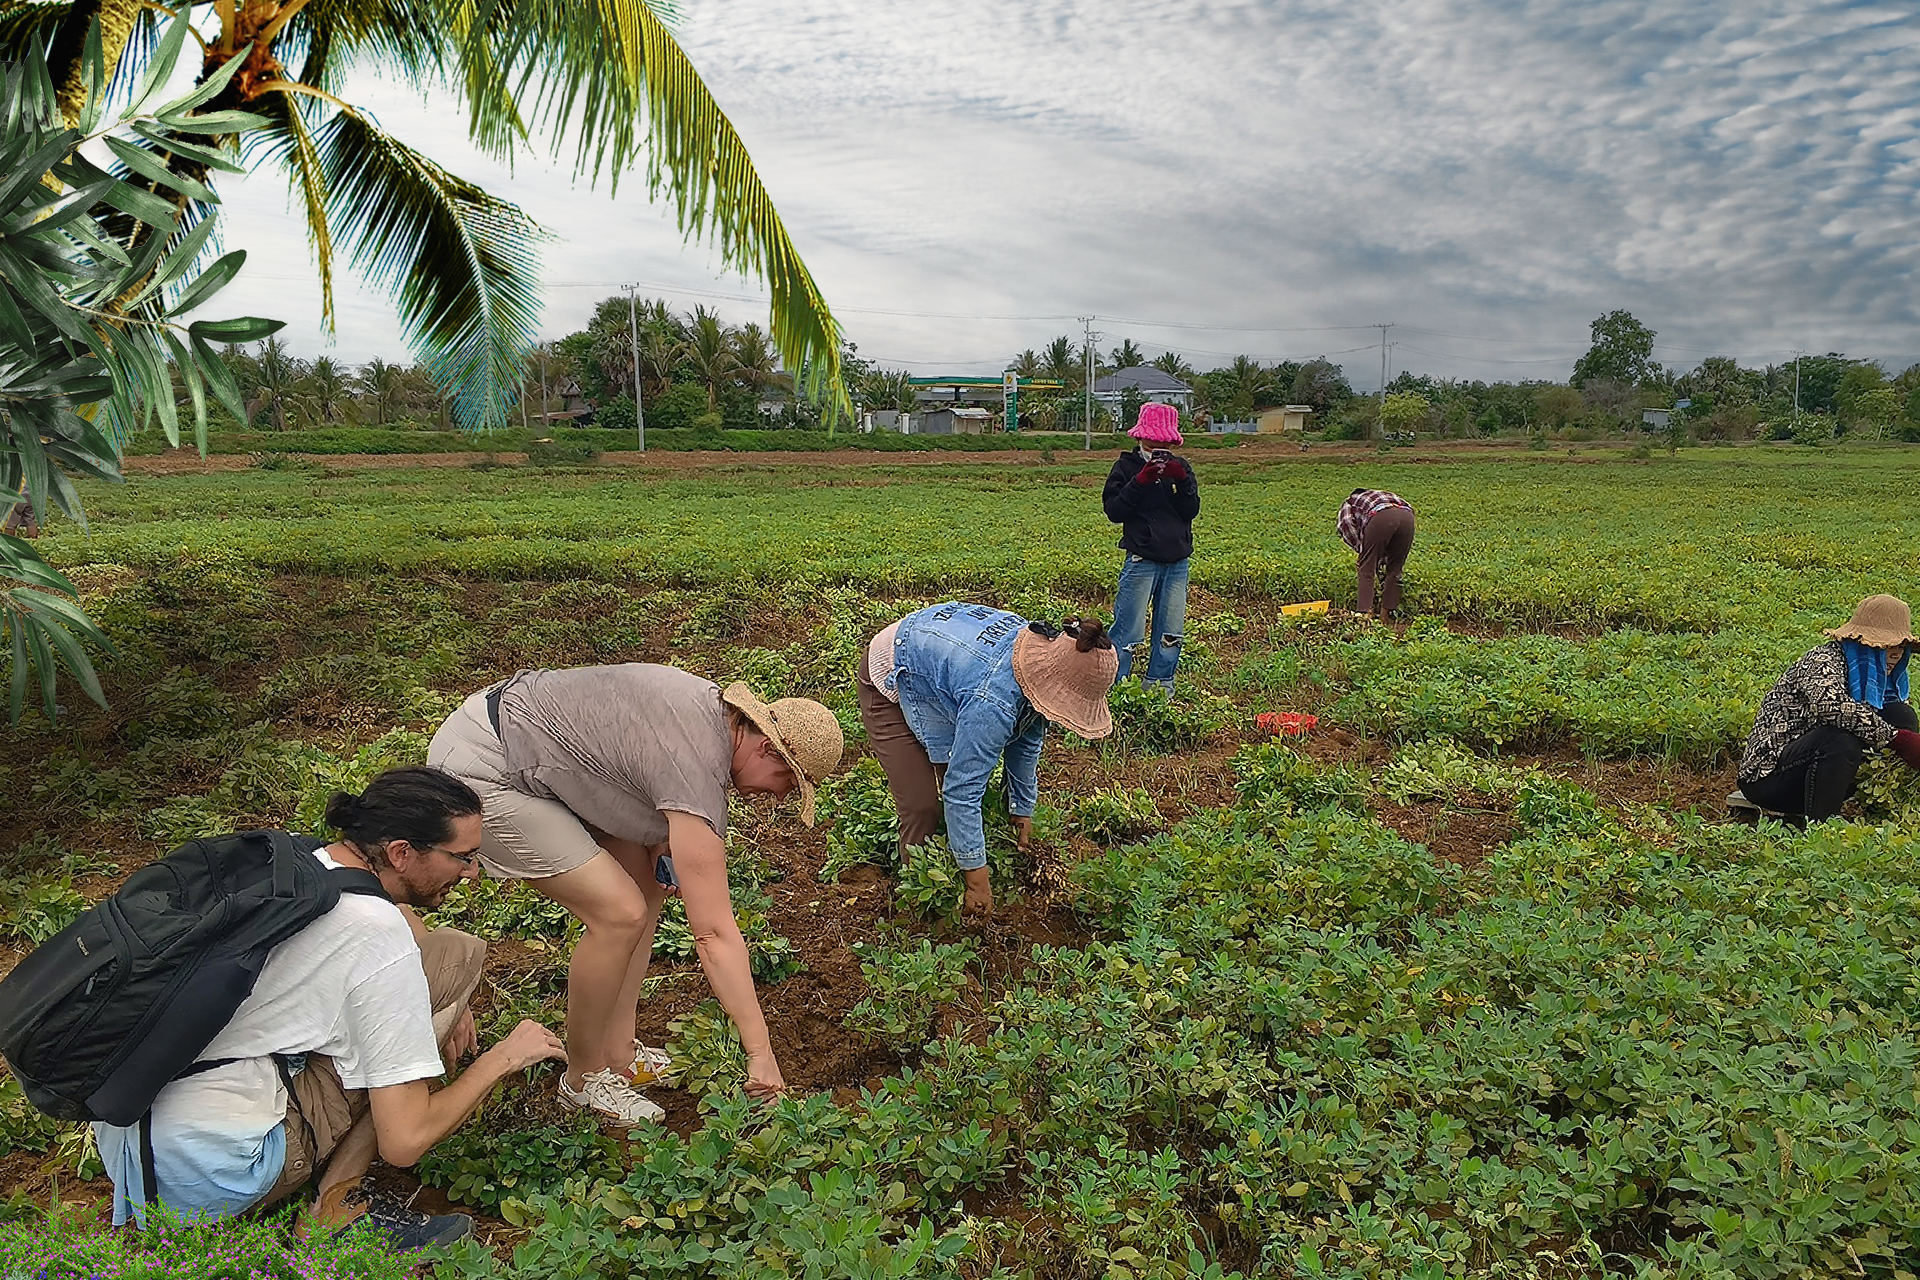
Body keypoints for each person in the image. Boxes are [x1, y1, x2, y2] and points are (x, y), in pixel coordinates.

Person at [92, 767, 567, 1248]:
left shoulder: (301, 859)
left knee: (451, 956)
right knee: (399, 1065)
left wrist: (442, 995)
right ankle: (335, 1210)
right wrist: (501, 1060)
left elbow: (396, 918)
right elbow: (404, 1142)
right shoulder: (378, 941)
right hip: (220, 1173)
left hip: (133, 1138)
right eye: (462, 858)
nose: (472, 873)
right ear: (401, 852)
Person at [428, 666, 843, 1125]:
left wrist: (655, 835)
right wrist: (760, 1053)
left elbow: (630, 759)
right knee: (619, 914)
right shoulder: (695, 767)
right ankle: (584, 1080)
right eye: (788, 783)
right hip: (487, 767)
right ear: (765, 748)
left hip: (523, 736)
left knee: (645, 892)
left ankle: (620, 1053)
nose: (779, 797)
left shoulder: (708, 717)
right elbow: (713, 934)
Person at [857, 604, 1118, 916]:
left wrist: (1021, 808)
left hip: (940, 668)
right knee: (922, 806)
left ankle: (950, 864)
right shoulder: (993, 702)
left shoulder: (1039, 661)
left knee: (952, 778)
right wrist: (977, 880)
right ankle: (915, 905)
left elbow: (1027, 738)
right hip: (891, 671)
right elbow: (962, 791)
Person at [1737, 594, 1920, 822]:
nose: (1896, 654)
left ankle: (1881, 815)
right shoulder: (1823, 660)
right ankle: (1822, 829)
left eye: (1901, 647)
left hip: (1821, 773)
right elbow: (1831, 706)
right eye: (1887, 646)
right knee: (1838, 739)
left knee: (1901, 714)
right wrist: (1898, 739)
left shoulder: (1883, 678)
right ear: (1864, 642)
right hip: (1770, 778)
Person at [1102, 402, 1200, 692]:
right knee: (1128, 628)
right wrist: (1140, 481)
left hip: (1177, 561)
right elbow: (1114, 511)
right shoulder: (1125, 467)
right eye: (1155, 440)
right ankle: (1118, 687)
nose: (1161, 445)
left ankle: (1160, 685)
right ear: (1140, 437)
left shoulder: (1181, 467)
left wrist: (1181, 481)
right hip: (1141, 559)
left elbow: (1190, 510)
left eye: (1166, 441)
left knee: (1171, 630)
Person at [1336, 488, 1416, 619]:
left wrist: (1363, 553)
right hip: (1407, 518)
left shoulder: (1349, 504)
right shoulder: (1383, 495)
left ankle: (1363, 614)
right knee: (1395, 570)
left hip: (1381, 517)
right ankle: (1385, 617)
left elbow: (1346, 527)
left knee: (1366, 568)